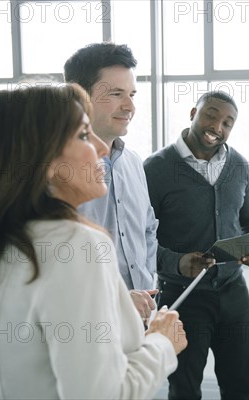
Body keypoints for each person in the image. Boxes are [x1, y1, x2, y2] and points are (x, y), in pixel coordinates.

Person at [0, 85, 187, 399]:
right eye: (85, 135)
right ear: (39, 157)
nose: (102, 148)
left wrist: (113, 305)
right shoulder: (78, 244)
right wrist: (162, 342)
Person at [143, 91, 249, 400]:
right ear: (192, 113)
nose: (218, 126)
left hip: (233, 293)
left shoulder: (239, 165)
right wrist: (177, 262)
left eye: (228, 122)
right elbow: (141, 240)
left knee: (240, 384)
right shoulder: (155, 168)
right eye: (211, 114)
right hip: (182, 296)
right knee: (184, 388)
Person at [64, 43, 159, 324]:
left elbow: (148, 230)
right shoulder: (55, 170)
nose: (129, 106)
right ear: (79, 96)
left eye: (131, 94)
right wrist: (116, 299)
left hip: (142, 315)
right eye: (116, 94)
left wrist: (146, 287)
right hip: (86, 321)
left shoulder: (133, 163)